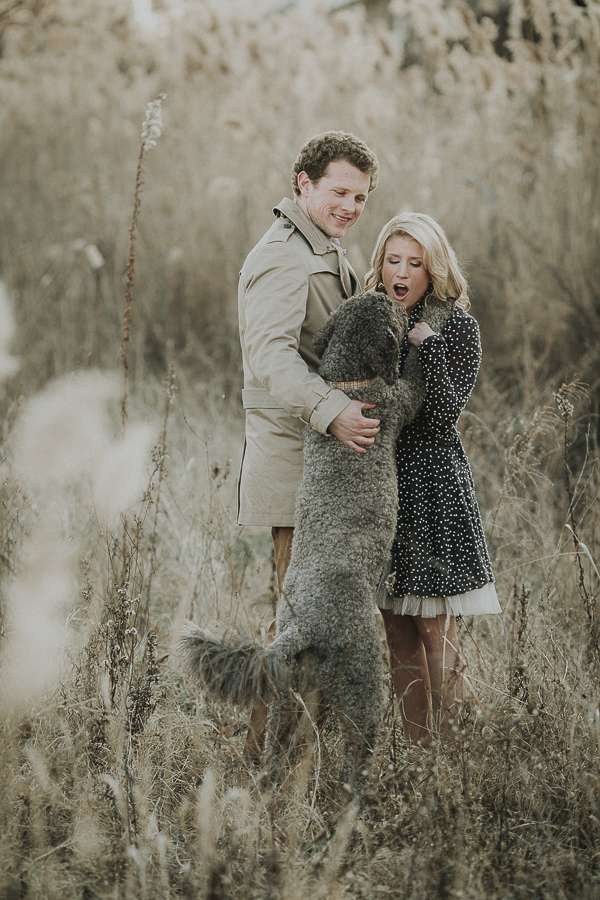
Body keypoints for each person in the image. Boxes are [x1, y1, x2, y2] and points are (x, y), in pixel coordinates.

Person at [237, 131, 380, 760]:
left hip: (322, 463)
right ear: (304, 183)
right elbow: (268, 355)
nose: (350, 206)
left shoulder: (326, 249)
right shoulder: (282, 256)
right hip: (295, 460)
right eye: (338, 192)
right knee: (298, 619)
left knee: (315, 619)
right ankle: (262, 757)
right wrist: (334, 411)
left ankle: (298, 752)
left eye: (360, 196)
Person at [364, 212, 501, 746]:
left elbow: (444, 416)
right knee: (397, 633)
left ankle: (459, 756)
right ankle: (421, 759)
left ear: (433, 269)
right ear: (380, 264)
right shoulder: (373, 319)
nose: (401, 271)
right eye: (392, 260)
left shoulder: (456, 327)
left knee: (434, 629)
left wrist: (430, 346)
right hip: (383, 486)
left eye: (414, 263)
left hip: (433, 488)